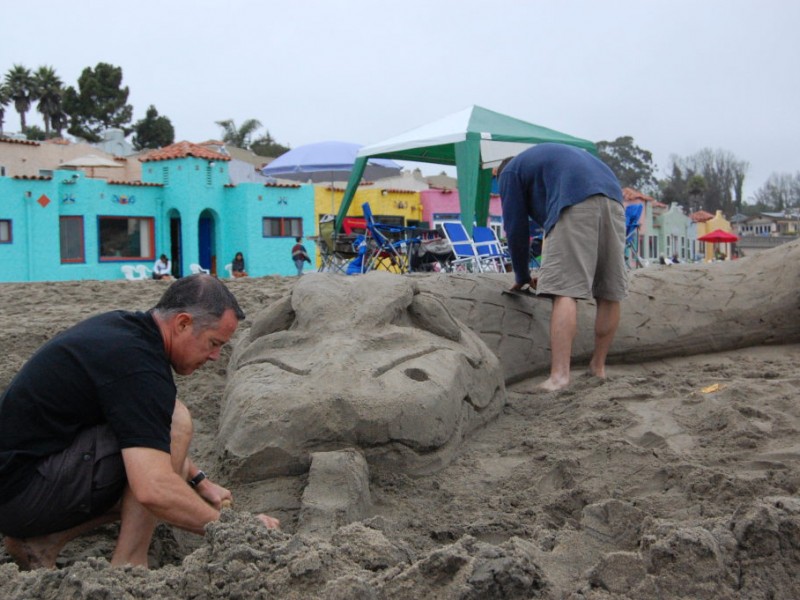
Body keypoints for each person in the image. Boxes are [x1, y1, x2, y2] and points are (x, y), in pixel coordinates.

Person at [0, 274, 280, 570]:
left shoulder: (125, 331)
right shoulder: (139, 369)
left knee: (160, 446)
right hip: (21, 494)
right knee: (174, 426)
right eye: (213, 343)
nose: (215, 356)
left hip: (19, 482)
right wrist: (235, 529)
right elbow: (152, 488)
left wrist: (200, 481)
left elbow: (143, 428)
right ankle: (129, 562)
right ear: (183, 323)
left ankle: (44, 541)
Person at [498, 143, 628, 392]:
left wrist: (522, 275)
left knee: (565, 289)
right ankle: (598, 368)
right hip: (613, 197)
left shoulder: (509, 172)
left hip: (575, 198)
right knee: (609, 291)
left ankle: (559, 377)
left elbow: (515, 228)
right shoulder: (543, 161)